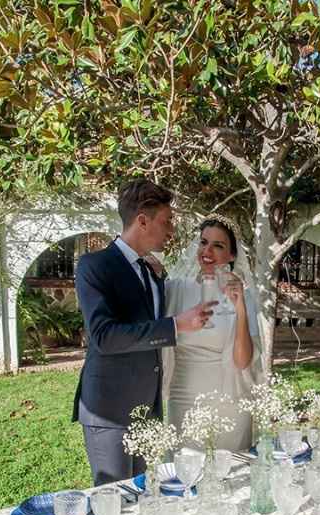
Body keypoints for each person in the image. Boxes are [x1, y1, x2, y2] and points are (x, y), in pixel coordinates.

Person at [73, 179, 216, 485]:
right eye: (166, 222)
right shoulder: (94, 265)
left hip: (146, 409)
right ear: (142, 220)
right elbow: (104, 337)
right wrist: (176, 326)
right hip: (109, 410)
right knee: (113, 499)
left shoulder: (151, 272)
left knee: (142, 497)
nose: (171, 231)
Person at [164, 215, 262, 450]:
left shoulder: (245, 297)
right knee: (185, 474)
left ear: (232, 255)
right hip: (182, 398)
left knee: (231, 478)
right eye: (203, 242)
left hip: (229, 401)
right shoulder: (176, 290)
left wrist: (239, 306)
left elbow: (242, 362)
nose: (207, 250)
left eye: (218, 245)